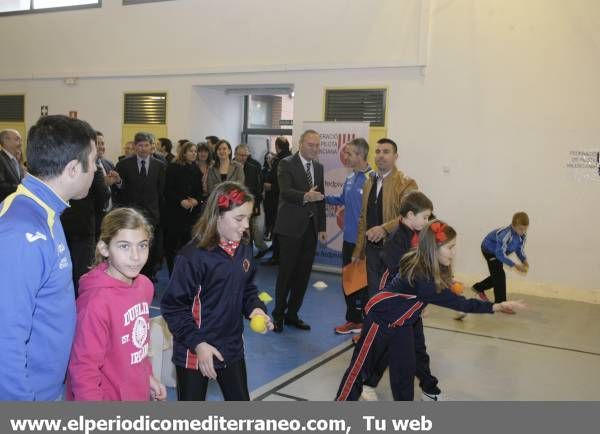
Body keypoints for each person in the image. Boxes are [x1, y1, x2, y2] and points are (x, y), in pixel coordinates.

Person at [336, 220, 527, 401]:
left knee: (405, 372)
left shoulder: (426, 266)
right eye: (450, 248)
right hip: (379, 322)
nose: (453, 253)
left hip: (402, 325)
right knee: (360, 369)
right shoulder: (424, 279)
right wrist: (496, 306)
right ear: (434, 249)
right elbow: (461, 304)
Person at [0, 115, 97, 400]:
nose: (96, 170)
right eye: (91, 162)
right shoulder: (23, 230)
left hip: (50, 385)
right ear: (71, 169)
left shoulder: (45, 213)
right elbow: (6, 339)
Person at [161, 182, 272, 401]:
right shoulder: (192, 256)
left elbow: (247, 289)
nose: (246, 225)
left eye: (248, 218)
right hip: (195, 350)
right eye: (239, 218)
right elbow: (174, 307)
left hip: (231, 346)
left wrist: (256, 309)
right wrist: (198, 344)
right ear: (218, 215)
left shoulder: (244, 248)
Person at [66, 208, 167, 401]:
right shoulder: (95, 303)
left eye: (142, 245)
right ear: (104, 248)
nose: (136, 256)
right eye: (124, 246)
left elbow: (137, 345)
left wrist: (147, 377)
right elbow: (83, 369)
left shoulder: (144, 286)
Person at [361, 191, 441, 401]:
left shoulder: (418, 235)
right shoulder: (396, 240)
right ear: (411, 215)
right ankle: (367, 382)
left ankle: (429, 387)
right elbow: (399, 275)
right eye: (425, 217)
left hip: (410, 306)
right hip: (395, 307)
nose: (427, 221)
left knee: (418, 347)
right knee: (387, 349)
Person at [272, 130, 326, 333]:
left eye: (317, 145)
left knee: (303, 275)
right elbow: (285, 192)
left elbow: (321, 199)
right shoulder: (286, 164)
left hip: (310, 230)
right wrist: (306, 196)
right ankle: (277, 315)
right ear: (301, 144)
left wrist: (321, 228)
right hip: (289, 229)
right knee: (286, 274)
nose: (314, 148)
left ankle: (292, 314)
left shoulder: (319, 167)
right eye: (311, 144)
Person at [352, 138, 418, 299]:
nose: (381, 156)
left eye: (386, 152)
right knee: (374, 296)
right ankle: (376, 323)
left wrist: (384, 229)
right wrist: (358, 250)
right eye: (378, 151)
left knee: (396, 297)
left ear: (396, 156)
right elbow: (363, 218)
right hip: (372, 251)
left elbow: (411, 216)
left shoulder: (407, 183)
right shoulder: (369, 182)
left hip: (396, 251)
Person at [324, 138, 372, 335]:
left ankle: (366, 323)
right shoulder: (351, 177)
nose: (346, 156)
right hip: (348, 240)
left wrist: (365, 243)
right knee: (348, 282)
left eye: (350, 153)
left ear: (360, 156)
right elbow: (342, 199)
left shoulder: (373, 179)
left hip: (365, 243)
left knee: (363, 285)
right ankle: (353, 320)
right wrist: (322, 198)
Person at [115, 132, 166, 278]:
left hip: (152, 217)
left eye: (146, 145)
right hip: (131, 216)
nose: (143, 148)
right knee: (131, 250)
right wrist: (118, 183)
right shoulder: (123, 165)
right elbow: (119, 191)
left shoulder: (160, 166)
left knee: (149, 251)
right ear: (135, 146)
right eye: (140, 145)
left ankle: (147, 280)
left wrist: (160, 217)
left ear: (152, 147)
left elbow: (161, 193)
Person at [472, 212, 530, 311]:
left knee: (497, 274)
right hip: (489, 250)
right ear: (513, 225)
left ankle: (478, 287)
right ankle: (501, 304)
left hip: (499, 252)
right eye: (520, 229)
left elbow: (519, 250)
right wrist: (515, 265)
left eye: (525, 229)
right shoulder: (506, 234)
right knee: (499, 275)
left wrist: (524, 261)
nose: (523, 231)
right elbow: (499, 254)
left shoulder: (522, 235)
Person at [164, 141, 203, 275]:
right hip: (174, 212)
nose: (194, 153)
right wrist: (181, 201)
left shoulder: (196, 168)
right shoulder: (173, 167)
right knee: (173, 246)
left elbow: (199, 191)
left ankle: (186, 273)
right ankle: (172, 273)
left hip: (191, 213)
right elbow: (167, 190)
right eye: (191, 151)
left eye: (195, 151)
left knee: (189, 246)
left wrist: (196, 200)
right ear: (184, 152)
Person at [234, 144, 268, 257]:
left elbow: (258, 188)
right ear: (235, 154)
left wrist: (256, 205)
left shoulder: (253, 167)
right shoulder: (230, 167)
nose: (243, 157)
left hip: (252, 201)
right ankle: (243, 252)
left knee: (257, 227)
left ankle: (261, 248)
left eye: (245, 155)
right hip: (235, 204)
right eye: (240, 155)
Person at [262, 137, 291, 266]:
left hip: (276, 200)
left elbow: (283, 183)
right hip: (282, 202)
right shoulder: (288, 158)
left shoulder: (281, 161)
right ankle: (276, 252)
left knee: (276, 228)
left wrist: (271, 186)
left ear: (277, 147)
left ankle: (276, 257)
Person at [94, 131, 121, 238]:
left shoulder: (108, 164)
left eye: (103, 143)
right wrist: (105, 184)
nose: (101, 147)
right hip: (94, 217)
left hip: (110, 215)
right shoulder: (85, 166)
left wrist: (118, 181)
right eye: (98, 143)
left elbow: (118, 189)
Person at [0, 129, 24, 203]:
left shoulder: (15, 160)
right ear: (6, 141)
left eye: (21, 140)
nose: (21, 143)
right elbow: (1, 185)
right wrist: (22, 188)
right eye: (17, 139)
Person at [261, 151, 277, 242]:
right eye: (267, 158)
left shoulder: (276, 169)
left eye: (270, 158)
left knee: (273, 215)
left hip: (274, 196)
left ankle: (271, 234)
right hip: (265, 196)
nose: (268, 160)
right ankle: (267, 232)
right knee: (267, 215)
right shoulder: (263, 170)